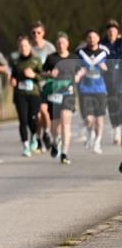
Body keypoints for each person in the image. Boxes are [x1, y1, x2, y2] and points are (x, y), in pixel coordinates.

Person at [42, 32, 78, 164]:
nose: (61, 45)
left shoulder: (74, 58)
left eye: (63, 42)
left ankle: (65, 153)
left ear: (67, 43)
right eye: (58, 43)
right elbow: (43, 72)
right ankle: (55, 141)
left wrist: (79, 75)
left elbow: (81, 70)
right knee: (55, 127)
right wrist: (50, 74)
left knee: (65, 123)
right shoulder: (51, 58)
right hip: (54, 95)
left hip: (68, 95)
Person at [76, 28, 111, 154]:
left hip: (100, 89)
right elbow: (77, 67)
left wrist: (105, 68)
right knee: (89, 118)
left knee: (99, 118)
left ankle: (97, 142)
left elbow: (110, 69)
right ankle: (90, 132)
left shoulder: (104, 52)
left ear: (98, 39)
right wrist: (79, 73)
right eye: (89, 37)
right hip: (85, 89)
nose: (92, 39)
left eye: (94, 37)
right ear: (86, 39)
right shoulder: (81, 53)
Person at [10, 35, 44, 156]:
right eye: (21, 46)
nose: (23, 48)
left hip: (34, 94)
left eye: (25, 45)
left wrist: (33, 75)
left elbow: (43, 76)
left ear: (30, 46)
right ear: (19, 48)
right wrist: (12, 81)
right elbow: (13, 76)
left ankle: (34, 137)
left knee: (33, 119)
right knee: (23, 121)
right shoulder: (16, 61)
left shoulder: (36, 60)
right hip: (20, 94)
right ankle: (25, 146)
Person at [28, 21, 56, 151]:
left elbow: (56, 63)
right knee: (38, 114)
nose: (36, 35)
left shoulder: (49, 48)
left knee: (45, 112)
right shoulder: (29, 48)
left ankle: (46, 132)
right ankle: (38, 138)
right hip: (34, 85)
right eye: (33, 33)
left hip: (47, 84)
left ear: (43, 33)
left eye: (38, 32)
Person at [103, 19, 122, 146]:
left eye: (113, 29)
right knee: (112, 106)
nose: (111, 32)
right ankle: (116, 129)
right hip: (108, 79)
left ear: (117, 32)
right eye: (109, 30)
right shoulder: (102, 44)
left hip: (120, 78)